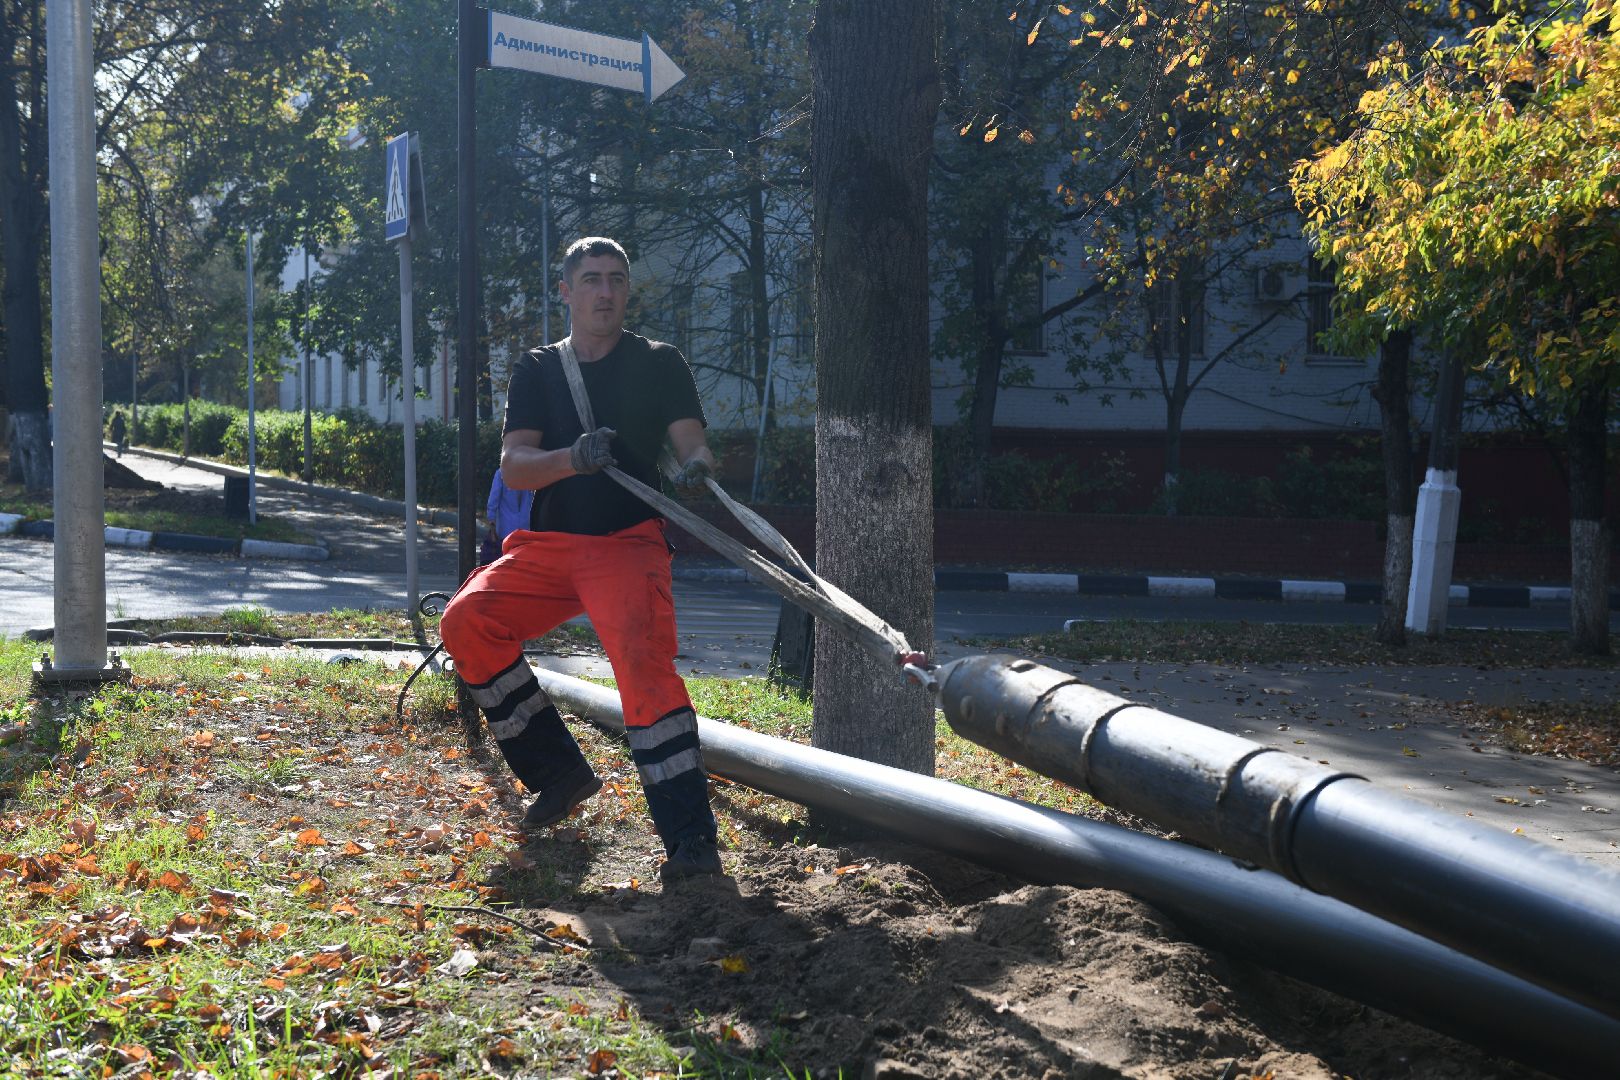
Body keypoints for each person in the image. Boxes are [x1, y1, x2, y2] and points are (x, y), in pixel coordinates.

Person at [440, 236, 723, 882]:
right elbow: (515, 466)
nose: (605, 291)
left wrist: (698, 471)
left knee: (644, 674)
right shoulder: (538, 369)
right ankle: (559, 773)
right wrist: (575, 458)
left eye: (616, 280)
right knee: (465, 622)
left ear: (627, 291)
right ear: (565, 292)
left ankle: (691, 843)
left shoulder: (659, 363)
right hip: (548, 549)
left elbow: (692, 446)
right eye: (591, 279)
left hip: (628, 546)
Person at [482, 468, 533, 564]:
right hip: (526, 527)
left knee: (506, 561)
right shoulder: (528, 472)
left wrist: (492, 522)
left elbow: (493, 499)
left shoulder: (502, 473)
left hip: (506, 528)